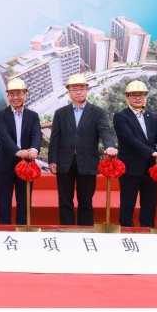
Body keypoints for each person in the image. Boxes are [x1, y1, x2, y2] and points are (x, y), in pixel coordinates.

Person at [47, 74, 117, 226]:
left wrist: (110, 146)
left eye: (82, 89)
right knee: (65, 201)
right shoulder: (60, 113)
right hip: (64, 163)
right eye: (74, 89)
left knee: (86, 202)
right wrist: (52, 160)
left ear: (87, 90)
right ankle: (66, 231)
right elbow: (55, 139)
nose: (78, 92)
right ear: (69, 92)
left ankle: (85, 232)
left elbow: (105, 131)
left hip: (87, 163)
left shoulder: (98, 112)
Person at [112, 80, 157, 228]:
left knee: (150, 202)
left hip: (151, 168)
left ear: (146, 97)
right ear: (127, 97)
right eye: (133, 95)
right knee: (128, 202)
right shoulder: (120, 116)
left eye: (141, 95)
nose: (137, 98)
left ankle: (148, 228)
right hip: (130, 166)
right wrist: (153, 153)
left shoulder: (153, 117)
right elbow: (130, 139)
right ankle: (126, 229)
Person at [0, 78, 42, 225]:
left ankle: (23, 229)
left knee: (24, 200)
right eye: (11, 94)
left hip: (26, 164)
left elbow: (36, 134)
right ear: (8, 96)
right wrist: (17, 151)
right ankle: (4, 230)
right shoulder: (1, 115)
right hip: (4, 164)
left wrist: (34, 149)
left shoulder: (33, 116)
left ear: (25, 95)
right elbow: (4, 136)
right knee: (4, 200)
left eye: (19, 93)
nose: (15, 97)